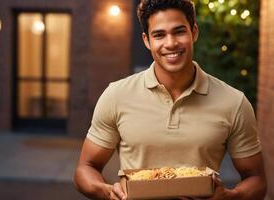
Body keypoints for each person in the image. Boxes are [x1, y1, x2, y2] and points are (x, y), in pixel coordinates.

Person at [74, 0, 267, 199]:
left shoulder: (234, 102)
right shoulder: (116, 95)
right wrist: (109, 192)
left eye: (179, 31)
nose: (171, 43)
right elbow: (85, 168)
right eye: (159, 35)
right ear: (147, 40)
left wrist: (228, 197)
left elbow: (257, 180)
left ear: (194, 32)